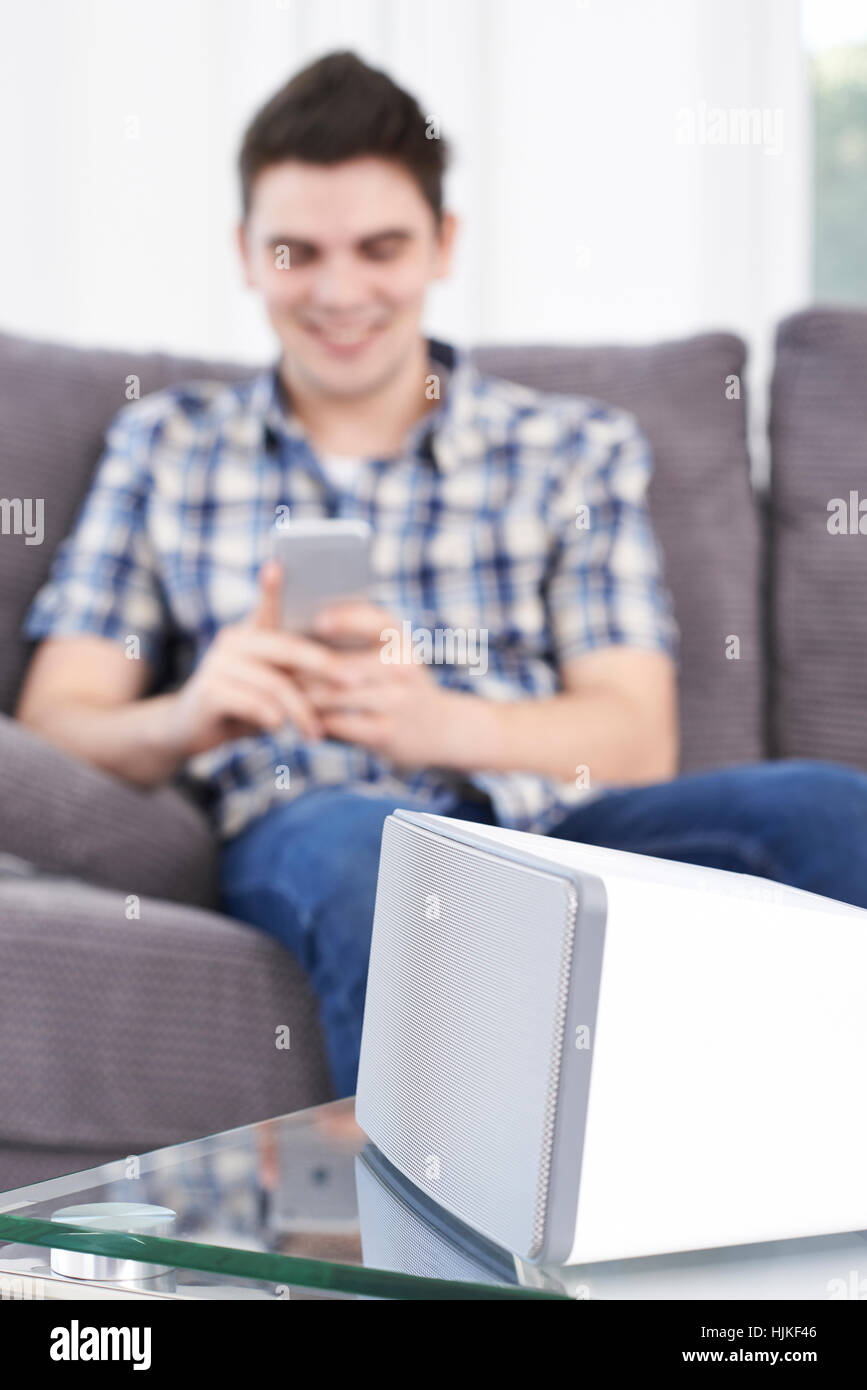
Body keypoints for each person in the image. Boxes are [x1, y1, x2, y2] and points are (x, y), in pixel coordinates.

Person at [17, 52, 867, 1098]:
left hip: (557, 829)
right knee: (376, 859)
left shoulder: (571, 446)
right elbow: (58, 720)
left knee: (834, 810)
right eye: (298, 251)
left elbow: (635, 733)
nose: (339, 292)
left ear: (442, 244)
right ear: (246, 253)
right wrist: (191, 711)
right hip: (315, 820)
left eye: (380, 247)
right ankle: (450, 1262)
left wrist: (436, 724)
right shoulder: (168, 444)